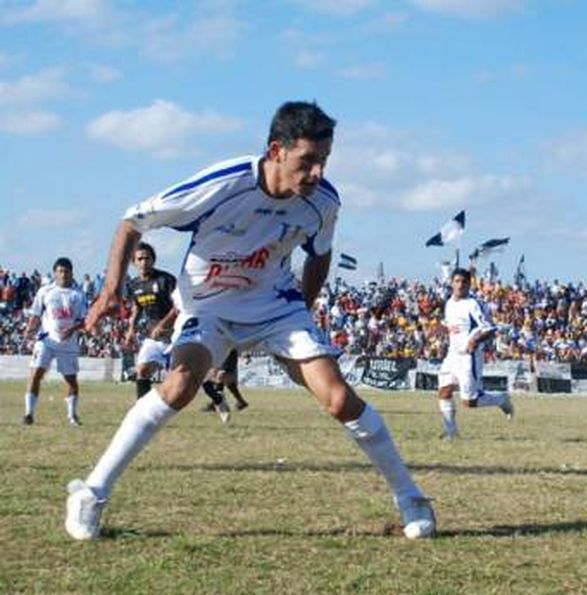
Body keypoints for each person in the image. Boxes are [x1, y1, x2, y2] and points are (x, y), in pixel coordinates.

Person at [65, 101, 435, 541]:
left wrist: (303, 311)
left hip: (275, 308)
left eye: (324, 161)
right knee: (179, 386)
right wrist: (110, 290)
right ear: (276, 150)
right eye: (308, 161)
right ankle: (90, 494)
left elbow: (320, 252)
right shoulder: (225, 183)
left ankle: (411, 497)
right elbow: (133, 222)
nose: (317, 173)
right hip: (209, 307)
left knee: (338, 398)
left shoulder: (322, 202)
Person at [436, 268, 513, 440]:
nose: (460, 285)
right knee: (444, 391)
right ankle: (451, 433)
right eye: (457, 281)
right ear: (451, 283)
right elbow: (450, 327)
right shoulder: (449, 303)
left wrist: (474, 341)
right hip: (452, 355)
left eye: (464, 282)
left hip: (469, 357)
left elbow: (489, 328)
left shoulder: (473, 304)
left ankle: (501, 399)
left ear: (469, 284)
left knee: (469, 401)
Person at [23, 257, 87, 426]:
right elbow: (36, 314)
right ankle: (28, 414)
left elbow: (84, 320)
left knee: (71, 379)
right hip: (46, 339)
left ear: (72, 273)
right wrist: (29, 331)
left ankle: (72, 416)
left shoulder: (78, 294)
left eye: (66, 271)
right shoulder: (45, 291)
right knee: (36, 373)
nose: (63, 274)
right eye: (60, 271)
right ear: (54, 273)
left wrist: (72, 330)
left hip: (68, 342)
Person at [123, 242, 177, 401]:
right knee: (142, 371)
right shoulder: (133, 285)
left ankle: (217, 397)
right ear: (134, 262)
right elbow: (137, 307)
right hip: (152, 336)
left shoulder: (166, 280)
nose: (144, 262)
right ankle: (143, 410)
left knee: (184, 378)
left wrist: (163, 324)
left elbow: (178, 307)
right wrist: (131, 329)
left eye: (147, 258)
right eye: (140, 259)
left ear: (153, 260)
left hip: (175, 335)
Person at [200, 349, 250, 420]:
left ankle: (215, 404)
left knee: (221, 376)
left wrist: (245, 355)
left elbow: (239, 342)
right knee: (224, 380)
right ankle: (240, 402)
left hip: (228, 354)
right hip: (222, 354)